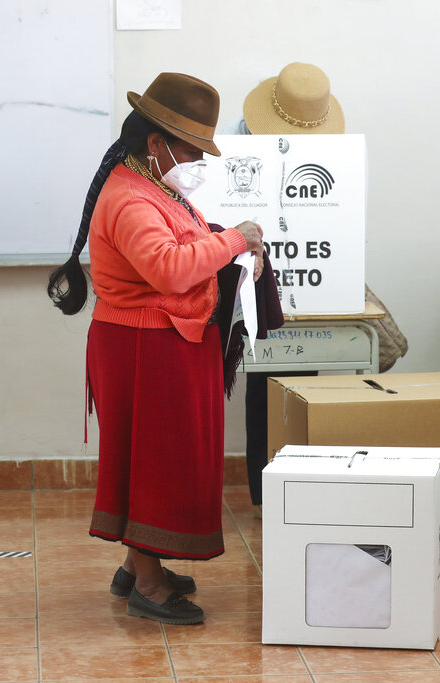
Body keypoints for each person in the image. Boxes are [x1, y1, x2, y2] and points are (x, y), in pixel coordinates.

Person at [48, 72, 264, 625]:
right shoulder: (129, 199)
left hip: (160, 340)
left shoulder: (152, 185)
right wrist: (236, 238)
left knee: (155, 459)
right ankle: (148, 583)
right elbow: (168, 269)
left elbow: (183, 246)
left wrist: (226, 249)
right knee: (154, 462)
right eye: (192, 150)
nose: (199, 161)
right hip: (143, 345)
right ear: (155, 143)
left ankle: (137, 565)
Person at [229, 62, 406, 517]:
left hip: (307, 278)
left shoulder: (334, 155)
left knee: (303, 379)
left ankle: (298, 484)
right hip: (252, 273)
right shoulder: (237, 143)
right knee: (264, 381)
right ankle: (270, 493)